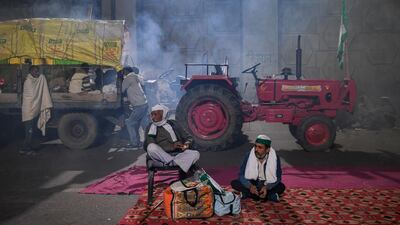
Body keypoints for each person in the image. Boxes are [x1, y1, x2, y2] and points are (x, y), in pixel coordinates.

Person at [144, 104, 200, 175]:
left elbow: (189, 137)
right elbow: (149, 144)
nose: (153, 117)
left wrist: (186, 144)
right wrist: (172, 146)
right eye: (152, 114)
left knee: (196, 153)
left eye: (155, 114)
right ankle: (177, 162)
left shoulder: (174, 123)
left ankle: (174, 162)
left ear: (163, 114)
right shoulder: (150, 128)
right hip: (162, 155)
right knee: (151, 147)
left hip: (178, 154)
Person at [231, 135, 285, 202]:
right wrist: (250, 186)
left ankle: (249, 194)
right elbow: (241, 174)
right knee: (234, 183)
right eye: (255, 146)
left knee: (281, 186)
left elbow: (278, 177)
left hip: (266, 182)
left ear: (267, 150)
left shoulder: (274, 158)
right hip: (253, 182)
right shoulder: (249, 155)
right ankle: (269, 196)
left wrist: (267, 187)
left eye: (260, 147)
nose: (256, 149)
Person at [21, 65, 53, 155]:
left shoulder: (35, 79)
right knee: (29, 131)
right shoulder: (28, 81)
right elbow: (33, 95)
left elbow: (40, 79)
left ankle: (27, 147)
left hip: (31, 110)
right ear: (30, 72)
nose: (37, 73)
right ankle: (24, 149)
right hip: (28, 111)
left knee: (30, 131)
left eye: (38, 71)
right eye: (35, 71)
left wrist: (41, 76)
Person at [122, 66, 149, 148]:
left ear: (126, 71)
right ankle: (150, 141)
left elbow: (122, 89)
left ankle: (134, 143)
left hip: (138, 105)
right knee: (144, 124)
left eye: (123, 71)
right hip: (144, 103)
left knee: (129, 122)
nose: (123, 73)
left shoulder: (128, 78)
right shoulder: (138, 76)